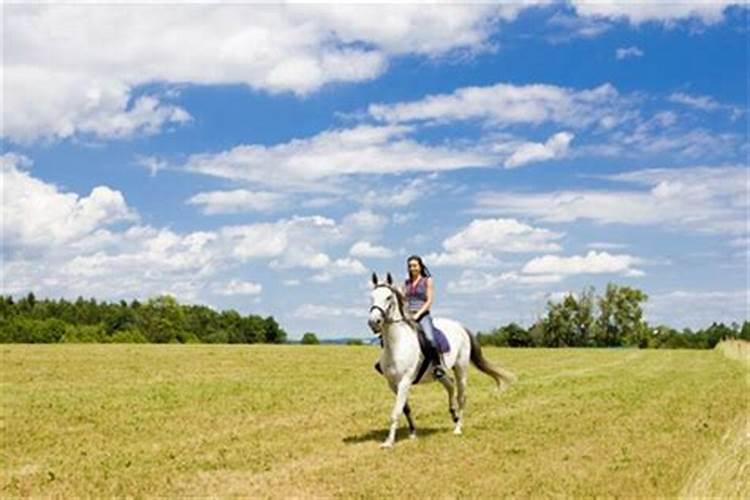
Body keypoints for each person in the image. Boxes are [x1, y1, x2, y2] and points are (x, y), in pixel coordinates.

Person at [403, 255, 446, 378]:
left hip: (422, 315)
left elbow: (429, 301)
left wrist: (418, 314)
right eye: (410, 266)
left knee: (430, 339)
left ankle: (437, 366)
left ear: (420, 266)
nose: (412, 268)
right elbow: (403, 298)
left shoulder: (427, 280)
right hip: (408, 315)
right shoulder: (407, 283)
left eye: (415, 265)